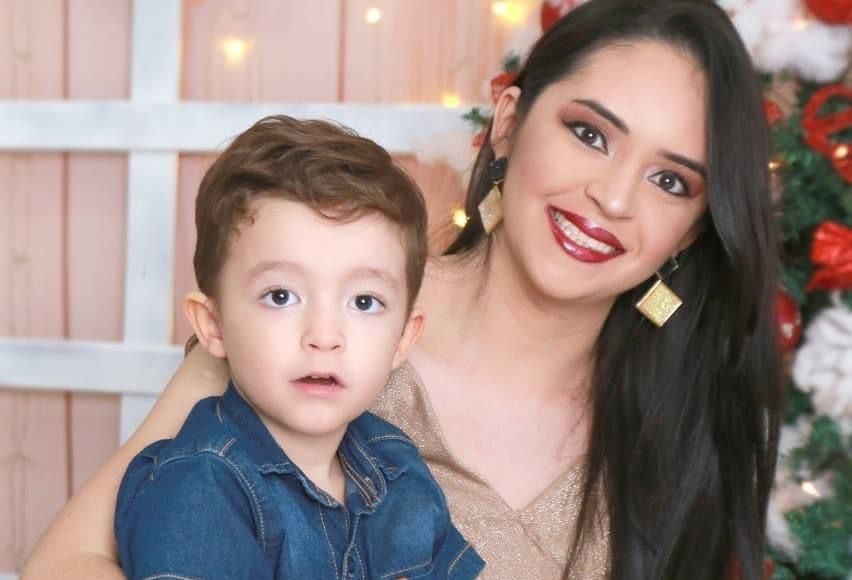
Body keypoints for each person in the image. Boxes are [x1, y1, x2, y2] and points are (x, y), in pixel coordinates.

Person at [22, 1, 784, 579]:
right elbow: (64, 563)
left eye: (670, 180)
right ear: (509, 122)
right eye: (590, 134)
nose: (612, 198)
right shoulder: (313, 329)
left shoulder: (685, 416)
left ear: (694, 230)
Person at [113, 115, 485, 579]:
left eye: (364, 302)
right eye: (281, 296)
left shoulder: (395, 462)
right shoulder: (198, 486)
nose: (324, 336)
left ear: (403, 339)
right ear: (213, 325)